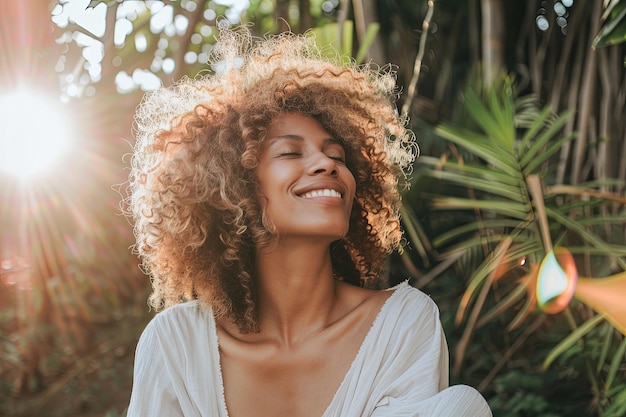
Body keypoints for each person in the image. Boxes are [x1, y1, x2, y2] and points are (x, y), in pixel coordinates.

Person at [126, 27, 492, 417]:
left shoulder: (401, 322)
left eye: (338, 155)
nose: (327, 165)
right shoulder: (176, 345)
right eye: (290, 153)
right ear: (230, 186)